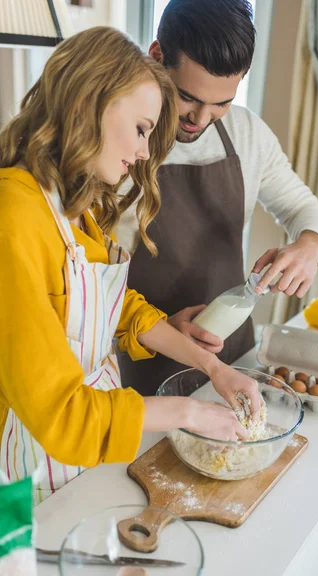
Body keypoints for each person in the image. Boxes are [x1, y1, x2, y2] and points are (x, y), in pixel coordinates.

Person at [0, 26, 262, 504]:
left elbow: (116, 308)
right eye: (141, 129)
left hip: (84, 466)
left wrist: (214, 367)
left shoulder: (76, 207)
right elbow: (62, 416)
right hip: (26, 475)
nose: (144, 152)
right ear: (87, 104)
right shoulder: (14, 216)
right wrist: (189, 413)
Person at [116, 0, 318, 396]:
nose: (200, 118)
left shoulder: (247, 134)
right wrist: (159, 330)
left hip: (230, 362)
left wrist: (308, 245)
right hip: (136, 366)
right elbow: (83, 281)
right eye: (188, 97)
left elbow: (303, 208)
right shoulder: (117, 141)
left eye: (222, 102)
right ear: (157, 55)